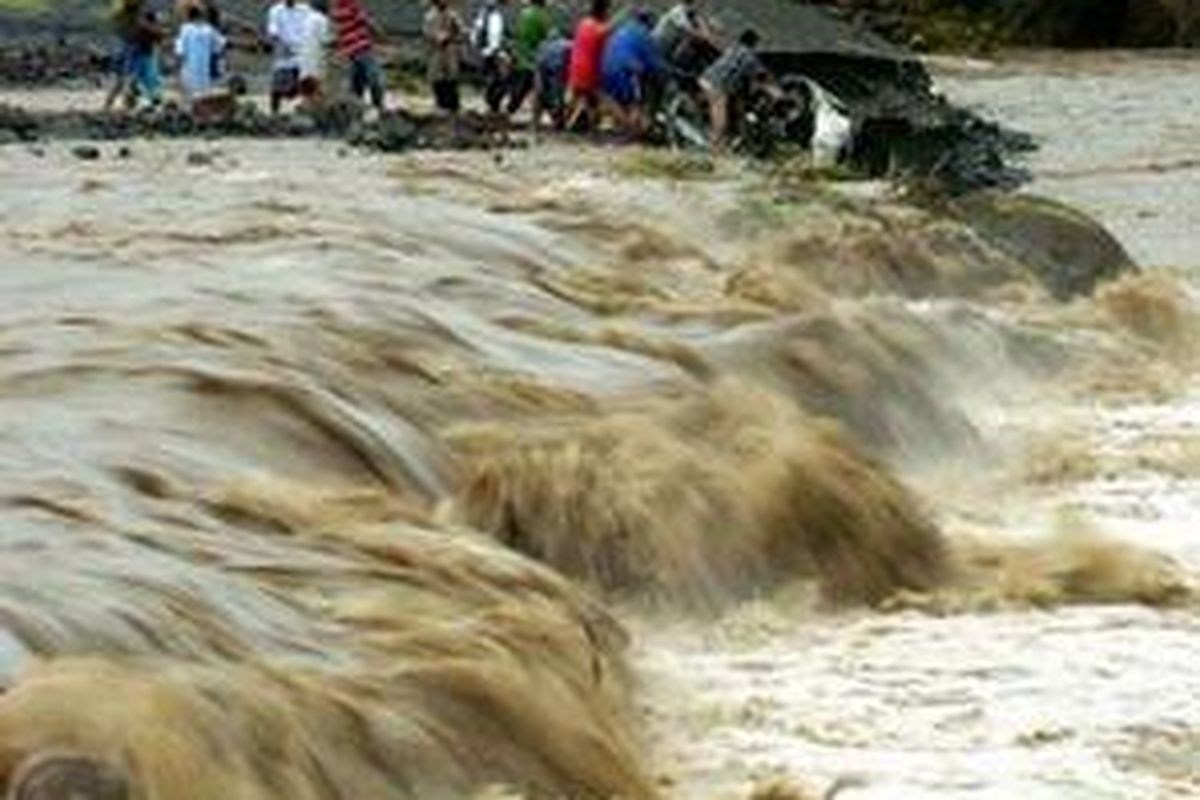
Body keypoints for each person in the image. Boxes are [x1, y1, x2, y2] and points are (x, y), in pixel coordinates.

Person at [699, 28, 769, 151]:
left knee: (732, 105)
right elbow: (761, 75)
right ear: (753, 43)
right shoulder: (749, 57)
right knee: (721, 120)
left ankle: (723, 140)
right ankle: (715, 147)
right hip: (717, 84)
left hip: (707, 77)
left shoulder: (733, 48)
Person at [600, 9, 664, 138]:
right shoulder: (645, 34)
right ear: (649, 23)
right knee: (636, 101)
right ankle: (636, 132)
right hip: (625, 70)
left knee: (615, 100)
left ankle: (627, 128)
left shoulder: (622, 30)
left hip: (605, 69)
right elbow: (653, 62)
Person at [104, 0, 164, 111]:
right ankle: (121, 103)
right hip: (134, 48)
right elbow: (149, 29)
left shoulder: (125, 13)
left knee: (126, 79)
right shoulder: (134, 15)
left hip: (134, 48)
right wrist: (158, 31)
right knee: (130, 79)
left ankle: (116, 104)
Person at [332, 0, 387, 112]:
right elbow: (367, 21)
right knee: (375, 79)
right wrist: (381, 34)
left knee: (357, 83)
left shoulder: (336, 7)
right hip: (361, 47)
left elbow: (339, 29)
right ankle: (378, 106)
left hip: (349, 50)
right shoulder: (351, 4)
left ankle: (357, 110)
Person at [566, 0, 610, 131]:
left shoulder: (582, 24)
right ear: (604, 12)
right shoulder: (602, 30)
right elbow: (604, 53)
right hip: (589, 73)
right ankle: (591, 123)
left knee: (578, 95)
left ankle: (569, 117)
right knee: (598, 97)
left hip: (574, 69)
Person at [507, 0, 552, 116]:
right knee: (543, 91)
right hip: (535, 60)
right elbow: (547, 39)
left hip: (521, 57)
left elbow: (517, 35)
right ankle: (553, 116)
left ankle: (507, 113)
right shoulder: (542, 17)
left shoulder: (523, 14)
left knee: (519, 92)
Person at [175, 2, 226, 102]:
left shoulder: (185, 29)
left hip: (188, 70)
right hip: (204, 72)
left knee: (189, 97)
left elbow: (180, 52)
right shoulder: (209, 30)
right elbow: (219, 46)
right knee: (203, 96)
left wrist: (177, 67)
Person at [266, 0, 310, 113]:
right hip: (284, 54)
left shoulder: (305, 10)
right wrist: (280, 43)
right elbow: (273, 31)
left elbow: (310, 28)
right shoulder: (275, 11)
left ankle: (309, 112)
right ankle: (274, 114)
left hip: (303, 53)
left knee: (305, 86)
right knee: (277, 88)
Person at [424, 0, 464, 115]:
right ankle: (441, 106)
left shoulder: (453, 15)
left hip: (450, 53)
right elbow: (435, 36)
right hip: (437, 54)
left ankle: (453, 108)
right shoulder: (430, 17)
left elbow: (461, 31)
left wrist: (456, 35)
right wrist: (448, 36)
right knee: (438, 81)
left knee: (452, 81)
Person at [472, 0, 510, 115]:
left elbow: (474, 36)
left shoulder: (482, 15)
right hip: (493, 52)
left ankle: (492, 104)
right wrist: (496, 50)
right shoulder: (493, 17)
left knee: (496, 79)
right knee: (500, 80)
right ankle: (493, 104)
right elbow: (494, 36)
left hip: (488, 52)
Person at [653, 0, 713, 71]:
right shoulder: (678, 12)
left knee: (692, 43)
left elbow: (699, 22)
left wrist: (704, 29)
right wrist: (704, 34)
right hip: (657, 45)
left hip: (665, 47)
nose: (701, 8)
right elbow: (690, 31)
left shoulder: (687, 12)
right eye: (700, 5)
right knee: (691, 41)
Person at [531, 34, 570, 135]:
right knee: (556, 97)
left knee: (540, 94)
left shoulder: (543, 45)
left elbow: (538, 66)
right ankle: (557, 122)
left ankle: (535, 124)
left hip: (546, 69)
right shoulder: (567, 45)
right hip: (557, 71)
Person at [297, 0, 332, 104]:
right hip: (315, 59)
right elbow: (325, 40)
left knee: (306, 88)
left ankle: (306, 106)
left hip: (302, 59)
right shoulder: (322, 19)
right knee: (316, 88)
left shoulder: (305, 18)